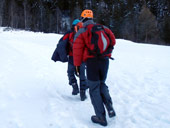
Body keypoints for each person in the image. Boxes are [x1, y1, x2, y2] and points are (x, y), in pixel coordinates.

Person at [73, 10, 116, 126]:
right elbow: (113, 40)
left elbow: (77, 51)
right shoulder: (104, 28)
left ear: (83, 18)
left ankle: (101, 117)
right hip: (105, 61)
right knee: (102, 83)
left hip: (92, 63)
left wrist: (77, 66)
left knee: (93, 88)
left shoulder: (82, 31)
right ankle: (109, 106)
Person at [52, 19, 87, 101]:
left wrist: (63, 56)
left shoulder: (69, 33)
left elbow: (61, 44)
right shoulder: (84, 32)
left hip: (72, 57)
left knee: (70, 73)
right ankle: (83, 93)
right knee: (82, 75)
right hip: (82, 58)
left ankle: (75, 87)